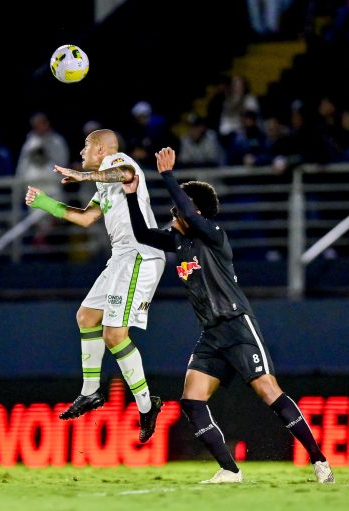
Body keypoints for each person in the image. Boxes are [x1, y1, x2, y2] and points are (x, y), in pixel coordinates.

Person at [121, 147, 334, 484]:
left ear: (196, 211)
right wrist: (132, 196)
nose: (173, 210)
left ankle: (320, 461)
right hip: (211, 334)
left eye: (179, 205)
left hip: (237, 326)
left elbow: (190, 214)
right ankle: (229, 470)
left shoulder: (213, 236)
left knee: (268, 391)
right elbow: (142, 234)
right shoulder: (180, 243)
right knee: (192, 400)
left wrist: (167, 176)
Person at [24, 129, 166, 443]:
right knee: (86, 316)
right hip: (121, 256)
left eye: (86, 144)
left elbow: (128, 173)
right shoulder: (103, 179)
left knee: (114, 334)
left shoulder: (118, 161)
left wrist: (82, 175)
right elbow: (88, 218)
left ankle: (146, 405)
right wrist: (46, 203)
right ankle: (90, 393)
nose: (82, 149)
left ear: (101, 148)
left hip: (139, 255)